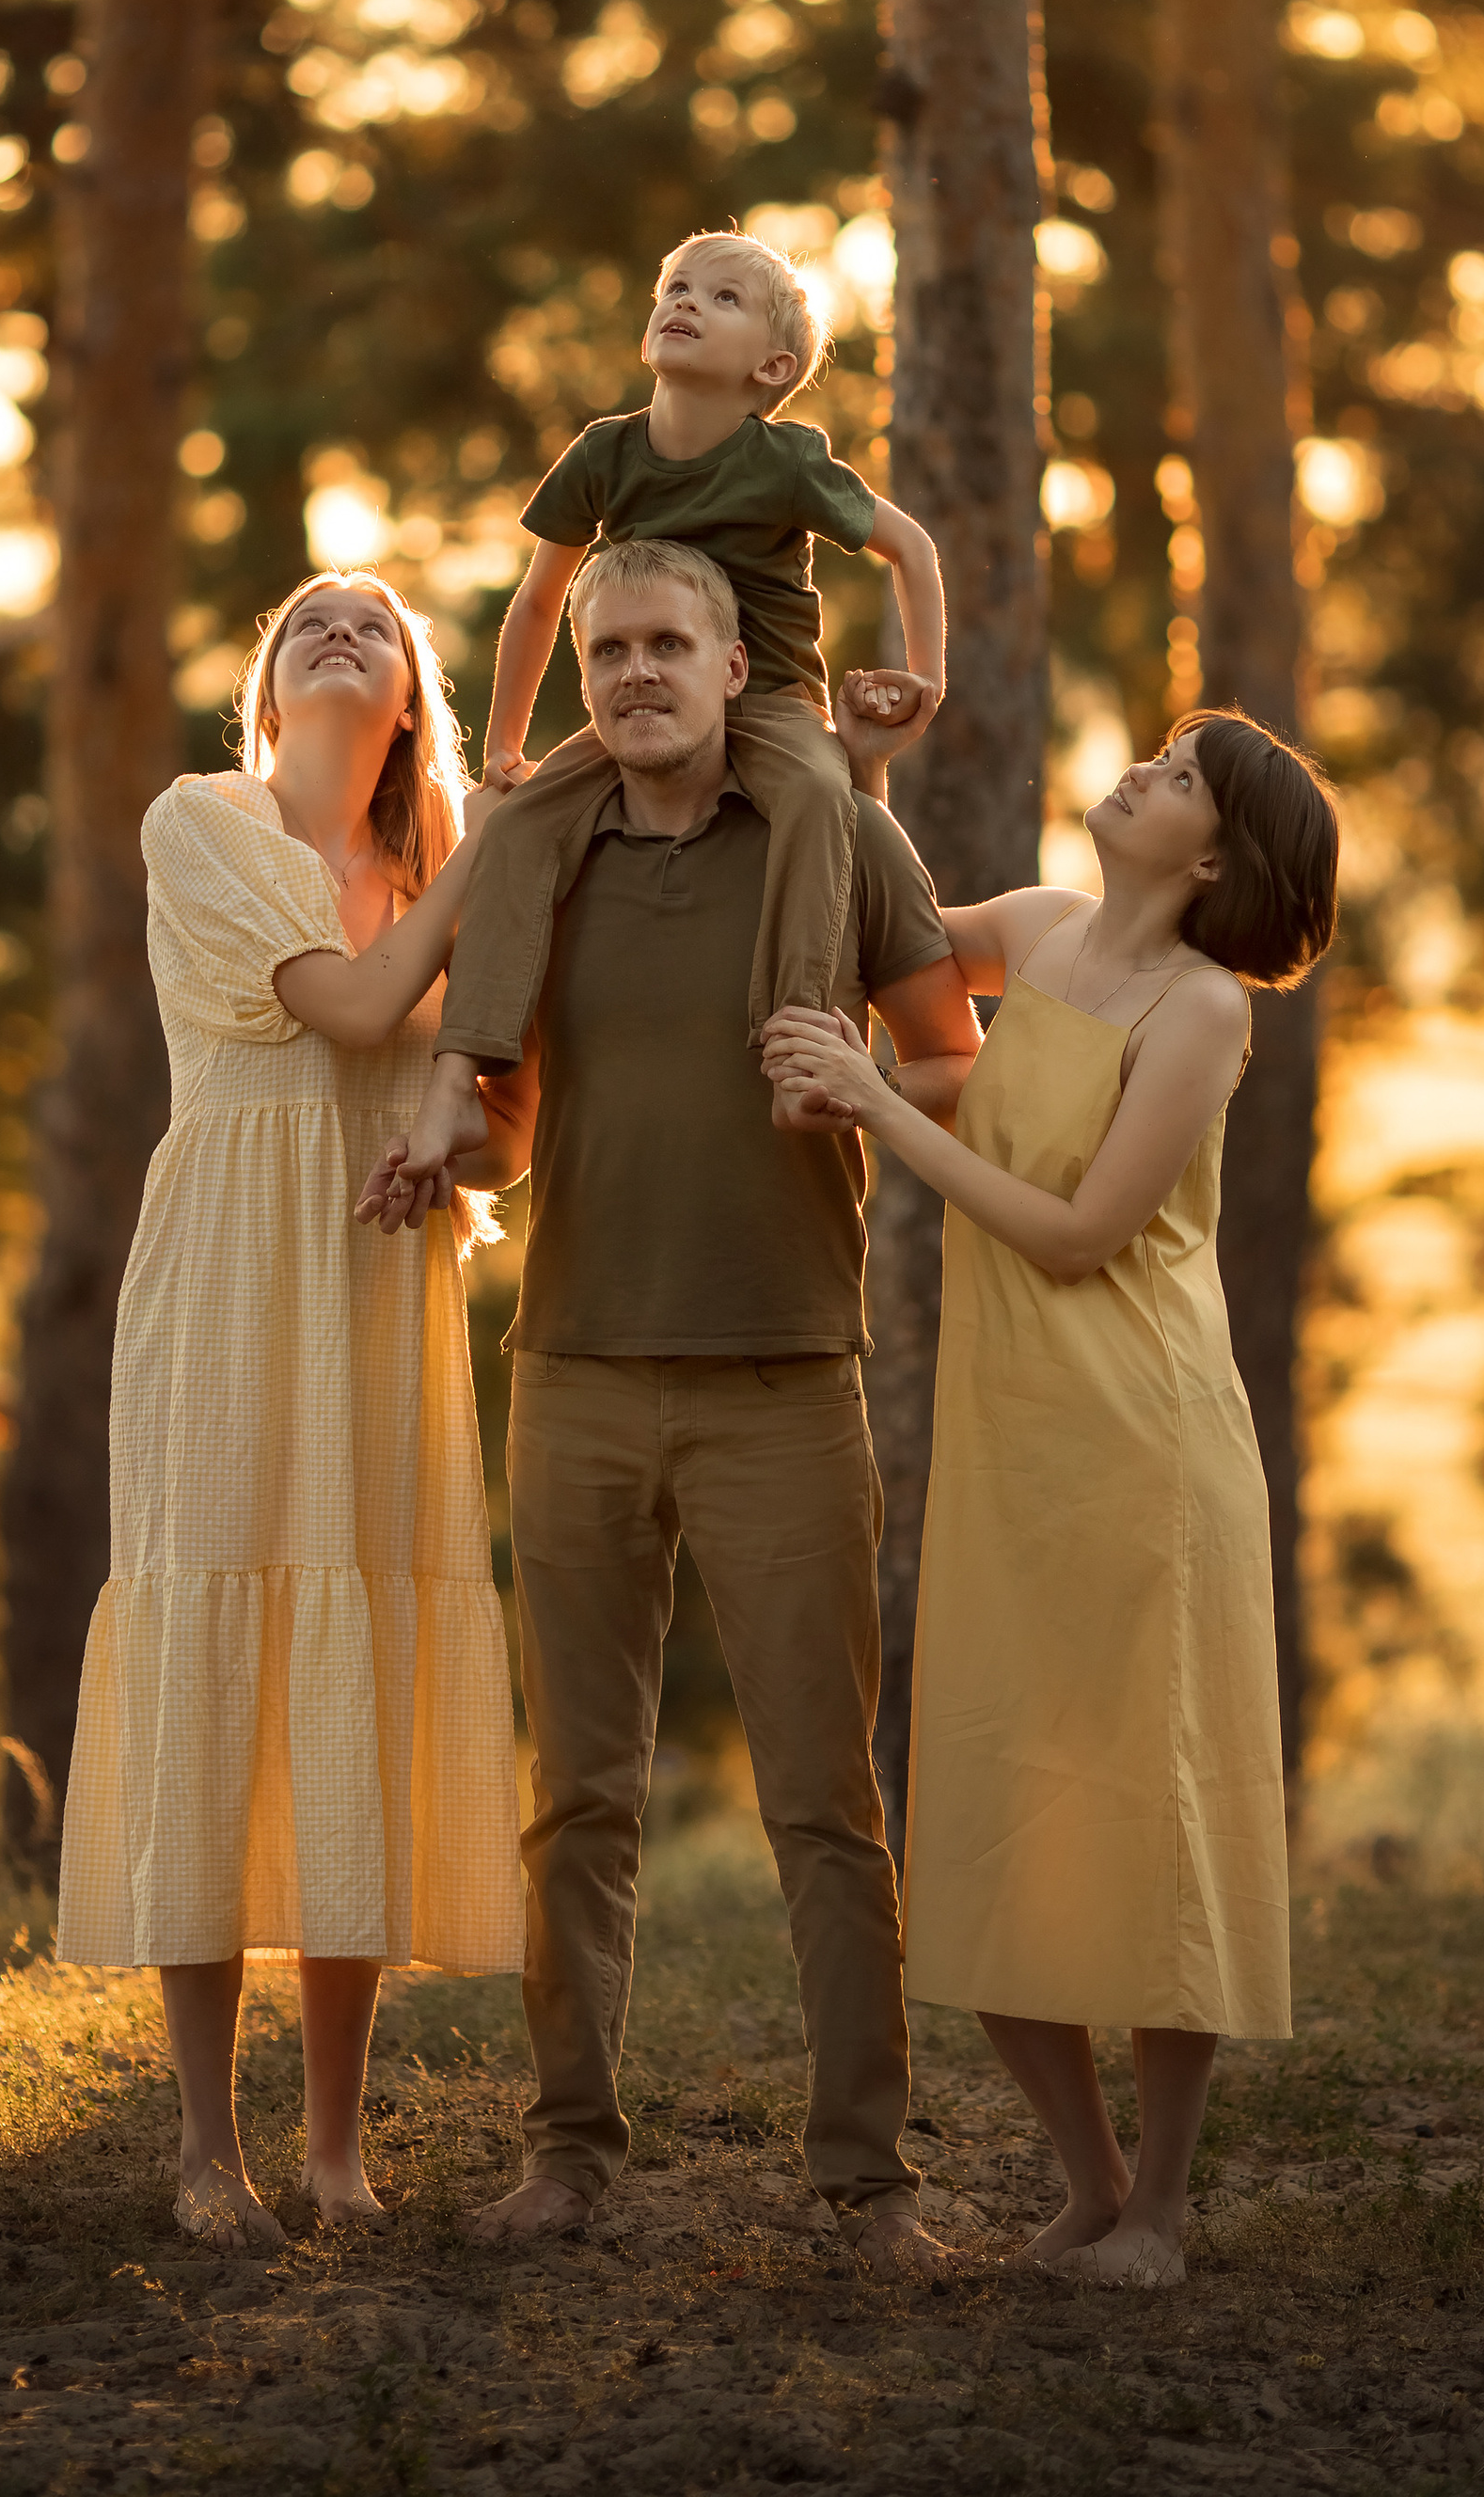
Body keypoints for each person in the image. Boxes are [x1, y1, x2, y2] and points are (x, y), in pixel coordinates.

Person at [360, 537, 983, 2271]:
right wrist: (439, 1149)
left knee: (823, 1801)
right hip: (575, 1373)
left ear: (732, 671)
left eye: (668, 645)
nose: (633, 670)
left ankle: (867, 2183)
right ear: (583, 681)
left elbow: (948, 1056)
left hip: (787, 1378)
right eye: (607, 647)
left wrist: (864, 1083)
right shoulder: (537, 862)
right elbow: (513, 1117)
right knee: (578, 1794)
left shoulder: (837, 837)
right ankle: (566, 2155)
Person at [763, 707, 1339, 2291]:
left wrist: (884, 1109)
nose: (1142, 770)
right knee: (998, 1805)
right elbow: (876, 928)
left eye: (1178, 779)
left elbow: (1084, 1233)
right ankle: (1086, 2195)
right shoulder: (1036, 929)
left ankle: (1158, 2208)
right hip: (1011, 1445)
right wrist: (868, 775)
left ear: (1211, 856)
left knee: (1148, 1825)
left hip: (1145, 1452)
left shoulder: (1202, 1007)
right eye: (1154, 753)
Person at [56, 572, 528, 2249]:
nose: (342, 628)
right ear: (268, 688)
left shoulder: (442, 878)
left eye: (376, 624)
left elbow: (510, 1116)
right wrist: (502, 849)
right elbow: (342, 1001)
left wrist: (450, 1131)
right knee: (211, 1651)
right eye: (308, 621)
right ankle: (206, 2150)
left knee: (356, 1682)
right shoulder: (203, 819)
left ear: (409, 697)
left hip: (376, 1287)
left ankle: (335, 2145)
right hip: (228, 1273)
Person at [397, 228, 946, 1187]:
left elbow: (915, 551)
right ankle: (457, 1074)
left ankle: (799, 1046)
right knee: (519, 824)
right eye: (676, 287)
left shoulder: (784, 463)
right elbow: (537, 604)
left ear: (769, 367)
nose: (685, 302)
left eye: (721, 299)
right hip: (645, 704)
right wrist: (507, 745)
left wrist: (927, 676)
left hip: (767, 699)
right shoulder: (605, 456)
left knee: (823, 797)